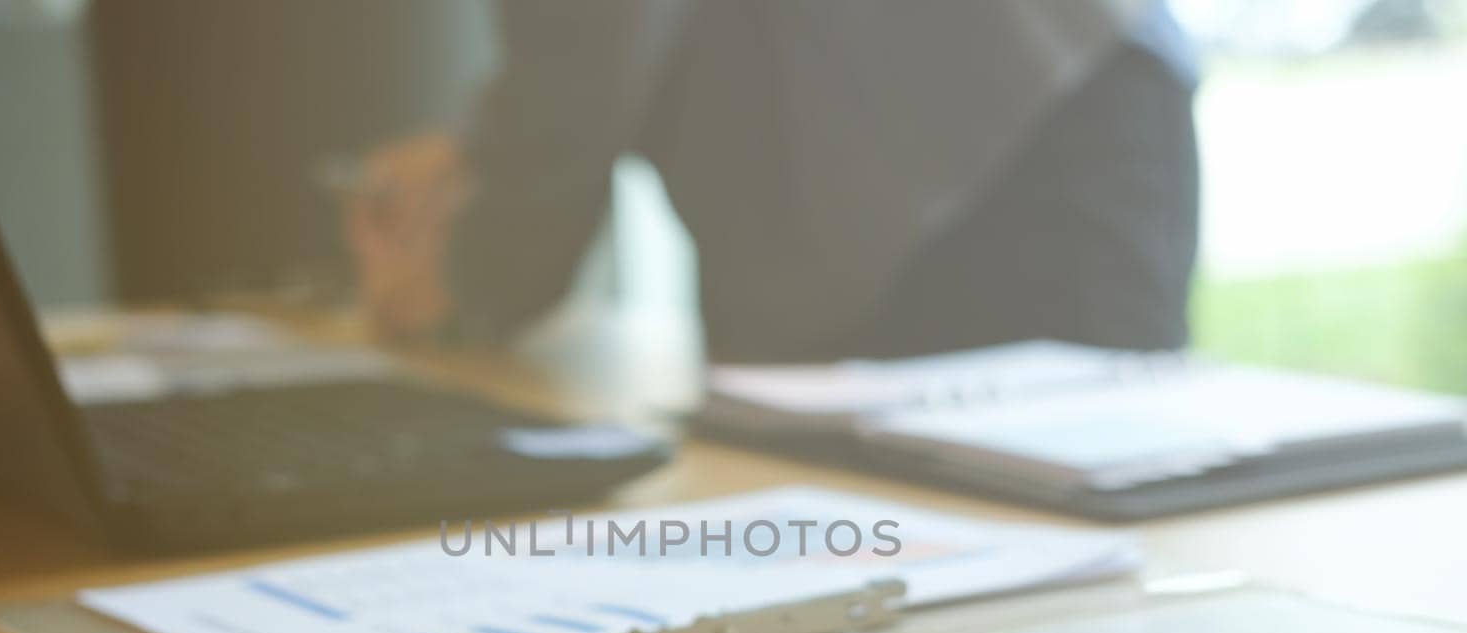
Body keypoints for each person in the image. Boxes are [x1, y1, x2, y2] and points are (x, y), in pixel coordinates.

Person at [347, 0, 1199, 364]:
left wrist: (468, 276)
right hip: (894, 148)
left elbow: (582, 49)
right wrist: (483, 162)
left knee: (1055, 589)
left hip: (1006, 145)